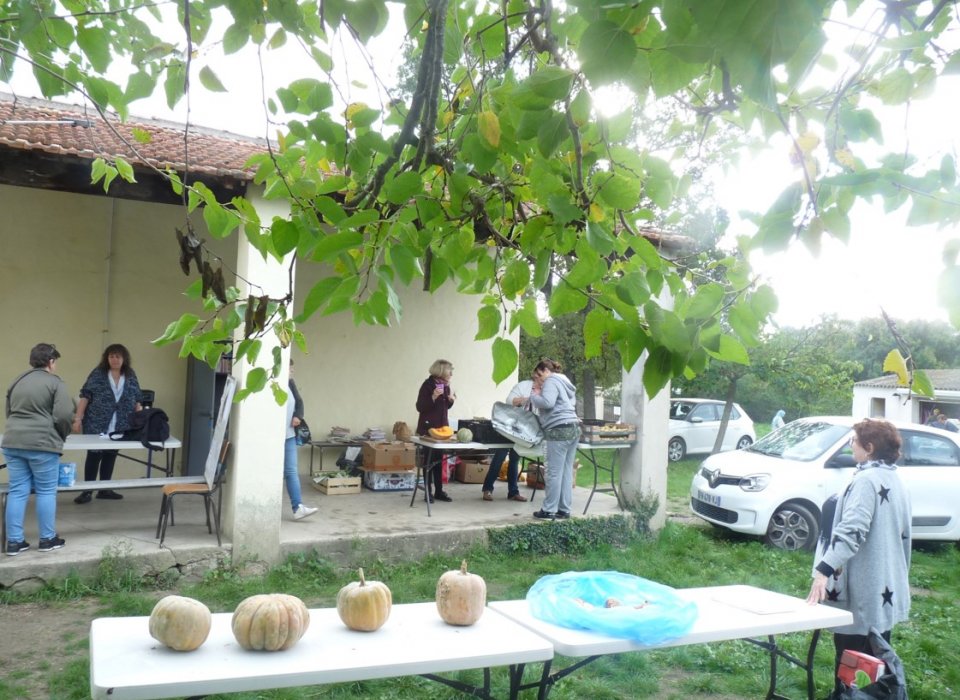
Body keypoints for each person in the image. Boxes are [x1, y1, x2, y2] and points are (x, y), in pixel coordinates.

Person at [806, 418, 911, 696]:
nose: (850, 445)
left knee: (854, 669)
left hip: (864, 595)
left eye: (853, 441)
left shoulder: (866, 481)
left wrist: (823, 570)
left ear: (870, 446)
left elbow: (852, 531)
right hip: (885, 589)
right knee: (873, 667)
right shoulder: (893, 477)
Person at [3, 343, 75, 555]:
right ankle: (47, 539)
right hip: (42, 444)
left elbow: (9, 411)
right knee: (45, 491)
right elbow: (63, 415)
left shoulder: (17, 380)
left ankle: (14, 543)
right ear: (51, 362)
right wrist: (60, 436)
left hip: (13, 441)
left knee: (17, 491)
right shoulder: (55, 383)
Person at [72, 344, 143, 503]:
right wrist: (78, 419)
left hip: (120, 423)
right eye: (111, 356)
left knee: (110, 455)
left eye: (118, 356)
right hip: (96, 423)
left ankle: (105, 489)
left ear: (124, 358)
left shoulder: (130, 375)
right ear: (107, 358)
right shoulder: (98, 374)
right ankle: (87, 491)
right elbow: (85, 396)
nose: (115, 359)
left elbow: (137, 398)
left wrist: (140, 420)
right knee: (93, 455)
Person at [528, 359, 579, 520]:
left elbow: (548, 403)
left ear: (545, 371)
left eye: (538, 376)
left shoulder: (551, 381)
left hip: (558, 430)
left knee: (554, 472)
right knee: (566, 472)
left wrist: (534, 395)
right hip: (573, 428)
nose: (537, 381)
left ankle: (549, 510)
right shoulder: (565, 382)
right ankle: (564, 509)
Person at [480, 379, 532, 503]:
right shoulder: (523, 386)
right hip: (508, 427)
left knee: (514, 460)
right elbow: (509, 401)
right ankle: (487, 489)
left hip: (522, 431)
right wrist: (524, 400)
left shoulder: (544, 388)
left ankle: (513, 492)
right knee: (499, 458)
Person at [415, 359, 456, 503]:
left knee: (439, 461)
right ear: (441, 371)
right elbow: (420, 407)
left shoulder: (446, 386)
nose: (451, 373)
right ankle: (428, 492)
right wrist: (432, 396)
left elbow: (444, 407)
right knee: (429, 461)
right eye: (449, 370)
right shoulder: (427, 385)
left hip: (442, 429)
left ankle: (439, 491)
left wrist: (451, 400)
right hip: (428, 429)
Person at [284, 361, 317, 520]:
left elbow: (300, 402)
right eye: (290, 369)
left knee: (291, 471)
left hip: (289, 435)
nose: (292, 371)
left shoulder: (290, 383)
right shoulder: (271, 385)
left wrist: (298, 416)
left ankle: (298, 508)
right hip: (274, 438)